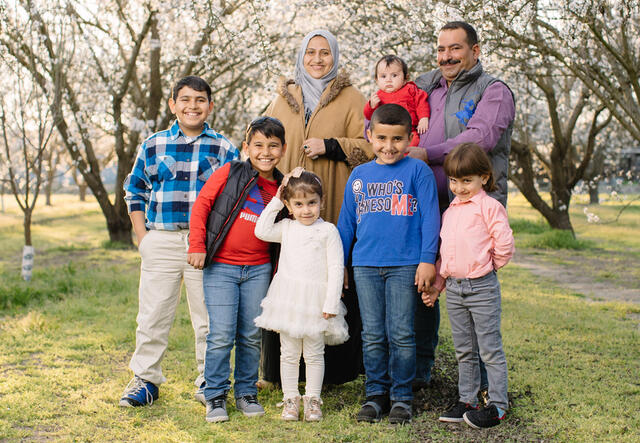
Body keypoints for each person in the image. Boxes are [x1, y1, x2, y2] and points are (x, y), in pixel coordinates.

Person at [120, 76, 238, 407]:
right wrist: (143, 237)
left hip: (205, 245)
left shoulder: (224, 148)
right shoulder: (153, 145)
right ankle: (145, 379)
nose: (192, 106)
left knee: (208, 316)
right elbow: (136, 191)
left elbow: (236, 197)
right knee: (154, 313)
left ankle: (209, 380)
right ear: (173, 105)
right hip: (162, 239)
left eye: (200, 100)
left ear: (210, 106)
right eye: (184, 100)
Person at [262, 29, 372, 386]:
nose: (318, 59)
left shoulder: (352, 97)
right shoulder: (283, 98)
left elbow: (370, 147)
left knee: (328, 272)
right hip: (288, 205)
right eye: (311, 52)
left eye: (325, 53)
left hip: (332, 198)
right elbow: (264, 138)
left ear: (335, 56)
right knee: (289, 275)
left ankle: (335, 372)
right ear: (302, 55)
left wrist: (331, 145)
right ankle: (281, 374)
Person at [411, 20, 516, 391]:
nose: (446, 57)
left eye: (455, 49)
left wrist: (426, 152)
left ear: (475, 50)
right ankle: (422, 371)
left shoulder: (494, 90)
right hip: (427, 204)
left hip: (474, 211)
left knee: (472, 292)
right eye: (440, 50)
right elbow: (387, 114)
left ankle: (484, 384)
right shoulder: (428, 87)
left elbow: (480, 138)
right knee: (425, 281)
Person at [337, 104, 440, 424]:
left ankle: (401, 397)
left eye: (397, 139)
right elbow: (346, 224)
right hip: (365, 265)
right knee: (372, 334)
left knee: (401, 333)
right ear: (369, 136)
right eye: (381, 138)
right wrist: (340, 264)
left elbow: (431, 219)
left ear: (409, 139)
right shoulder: (360, 175)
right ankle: (375, 395)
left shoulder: (417, 172)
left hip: (405, 265)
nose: (388, 146)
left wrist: (426, 260)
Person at [187, 116, 286, 422]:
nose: (265, 152)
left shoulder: (284, 187)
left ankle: (246, 392)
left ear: (283, 149)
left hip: (258, 269)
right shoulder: (230, 172)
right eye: (258, 145)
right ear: (246, 147)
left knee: (250, 334)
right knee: (221, 334)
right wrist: (197, 246)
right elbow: (202, 205)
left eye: (272, 145)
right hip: (222, 267)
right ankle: (215, 394)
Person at [422, 142, 514, 429]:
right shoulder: (451, 211)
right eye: (453, 180)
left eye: (466, 181)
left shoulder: (490, 207)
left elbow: (505, 245)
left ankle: (497, 405)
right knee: (464, 349)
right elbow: (447, 256)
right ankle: (468, 399)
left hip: (482, 288)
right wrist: (437, 285)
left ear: (483, 178)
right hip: (456, 291)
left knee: (489, 348)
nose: (459, 187)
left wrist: (488, 266)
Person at [254, 168, 349, 422]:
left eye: (312, 203)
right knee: (289, 352)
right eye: (298, 204)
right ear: (289, 205)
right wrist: (277, 198)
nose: (306, 210)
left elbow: (336, 267)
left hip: (317, 301)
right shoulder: (286, 227)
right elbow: (261, 230)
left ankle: (313, 400)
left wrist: (331, 302)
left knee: (315, 352)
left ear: (322, 202)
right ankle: (290, 399)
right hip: (290, 299)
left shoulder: (328, 231)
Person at [364, 55, 430, 147]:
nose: (388, 80)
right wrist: (371, 106)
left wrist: (423, 118)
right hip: (386, 134)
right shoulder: (378, 96)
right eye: (383, 76)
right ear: (377, 80)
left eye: (394, 75)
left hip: (408, 131)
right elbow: (369, 116)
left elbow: (421, 102)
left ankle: (406, 160)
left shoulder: (410, 90)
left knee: (413, 144)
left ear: (405, 78)